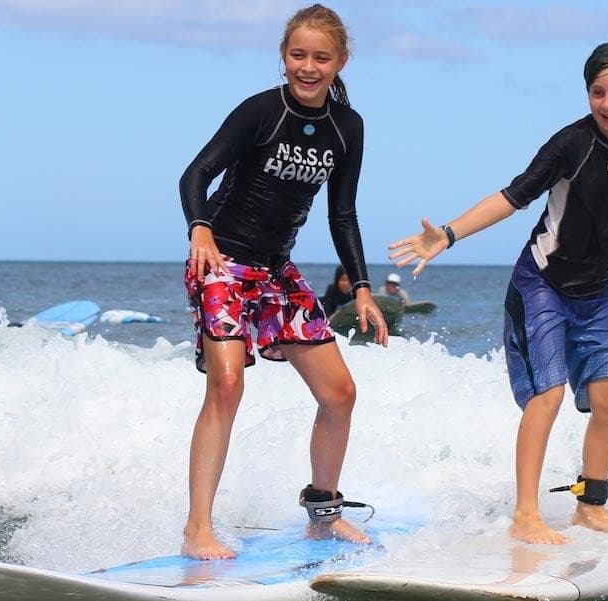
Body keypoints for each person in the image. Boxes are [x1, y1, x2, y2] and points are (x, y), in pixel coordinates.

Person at [388, 40, 608, 545]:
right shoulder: (571, 144)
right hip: (539, 284)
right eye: (597, 92)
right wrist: (448, 234)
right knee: (549, 393)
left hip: (594, 294)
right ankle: (526, 514)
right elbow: (512, 196)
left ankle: (590, 507)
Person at [179, 4, 387, 560]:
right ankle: (198, 526)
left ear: (341, 61)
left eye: (321, 57)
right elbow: (196, 173)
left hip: (276, 271)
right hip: (220, 262)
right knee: (226, 384)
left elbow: (342, 213)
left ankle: (323, 515)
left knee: (340, 393)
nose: (309, 66)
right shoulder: (260, 112)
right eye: (298, 55)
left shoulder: (348, 128)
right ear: (283, 56)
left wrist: (362, 288)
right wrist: (200, 230)